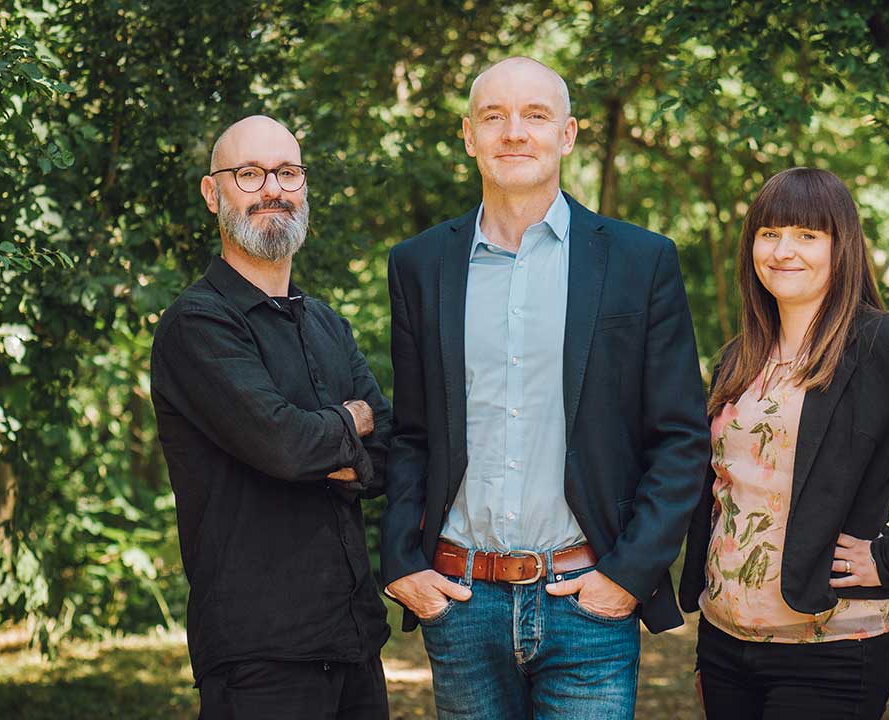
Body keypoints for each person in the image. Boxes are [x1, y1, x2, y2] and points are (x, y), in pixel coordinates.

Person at [380, 56, 709, 719]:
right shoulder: (419, 265)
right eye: (494, 116)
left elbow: (679, 438)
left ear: (568, 134)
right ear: (469, 136)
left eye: (535, 115)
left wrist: (627, 575)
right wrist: (401, 563)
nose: (514, 132)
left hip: (586, 601)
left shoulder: (639, 260)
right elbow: (412, 435)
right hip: (460, 600)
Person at [678, 167, 889, 719]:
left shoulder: (884, 345)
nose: (784, 250)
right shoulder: (739, 358)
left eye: (807, 235)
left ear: (842, 247)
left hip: (832, 648)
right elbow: (724, 495)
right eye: (769, 233)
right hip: (725, 643)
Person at [151, 115, 392, 719]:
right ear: (214, 194)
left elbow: (388, 451)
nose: (272, 189)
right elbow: (285, 446)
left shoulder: (329, 325)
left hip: (355, 640)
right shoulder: (197, 325)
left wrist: (329, 443)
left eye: (287, 173)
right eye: (249, 174)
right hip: (260, 657)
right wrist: (345, 426)